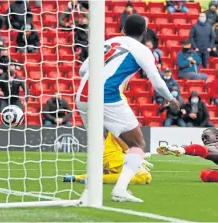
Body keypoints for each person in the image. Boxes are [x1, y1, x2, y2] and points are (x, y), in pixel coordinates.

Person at [76, 14, 179, 202]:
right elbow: (156, 80)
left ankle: (89, 192)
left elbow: (82, 70)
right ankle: (120, 189)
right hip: (106, 94)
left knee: (98, 143)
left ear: (123, 29)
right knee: (137, 144)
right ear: (144, 32)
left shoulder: (109, 42)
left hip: (82, 93)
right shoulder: (141, 49)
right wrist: (170, 98)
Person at [63, 131, 153, 185]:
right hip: (114, 159)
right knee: (144, 176)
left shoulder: (111, 128)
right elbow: (125, 147)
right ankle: (96, 180)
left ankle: (75, 177)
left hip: (107, 158)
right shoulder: (119, 128)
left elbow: (123, 148)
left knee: (136, 172)